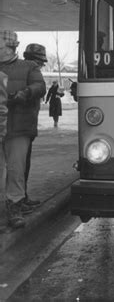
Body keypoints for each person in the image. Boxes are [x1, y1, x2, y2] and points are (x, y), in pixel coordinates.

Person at [0, 31, 46, 229]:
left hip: (18, 127)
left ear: (10, 48)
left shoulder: (29, 66)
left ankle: (14, 207)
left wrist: (25, 93)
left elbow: (40, 86)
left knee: (15, 169)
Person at [22, 43, 48, 207]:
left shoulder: (16, 71)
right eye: (41, 63)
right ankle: (19, 200)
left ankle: (21, 198)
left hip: (21, 126)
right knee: (20, 165)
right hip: (22, 127)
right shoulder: (33, 72)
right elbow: (40, 90)